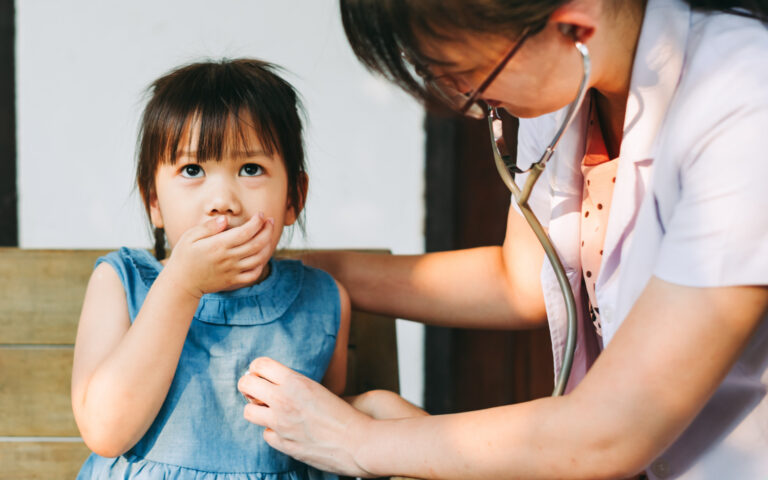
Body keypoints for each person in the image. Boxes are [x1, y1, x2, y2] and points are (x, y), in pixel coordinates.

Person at [237, 0, 768, 478]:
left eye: (469, 76)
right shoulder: (568, 85)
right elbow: (523, 279)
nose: (473, 99)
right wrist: (297, 268)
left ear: (573, 25)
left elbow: (614, 428)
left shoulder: (746, 101)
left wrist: (360, 441)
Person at [71, 59, 350, 479]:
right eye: (193, 170)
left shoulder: (323, 301)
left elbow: (325, 442)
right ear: (153, 201)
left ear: (294, 197)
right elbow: (106, 431)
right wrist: (181, 285)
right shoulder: (121, 281)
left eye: (251, 169)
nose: (222, 199)